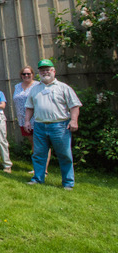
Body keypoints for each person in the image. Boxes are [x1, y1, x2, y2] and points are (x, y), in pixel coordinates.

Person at [26, 59, 81, 190]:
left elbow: (74, 106)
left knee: (64, 155)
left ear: (53, 71)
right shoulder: (35, 89)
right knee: (38, 154)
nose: (45, 72)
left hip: (60, 126)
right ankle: (38, 179)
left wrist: (74, 121)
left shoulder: (63, 87)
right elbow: (29, 107)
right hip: (39, 125)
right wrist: (27, 121)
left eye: (47, 70)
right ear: (39, 72)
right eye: (42, 70)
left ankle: (68, 183)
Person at [13, 65, 50, 174]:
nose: (26, 76)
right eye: (24, 74)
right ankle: (38, 167)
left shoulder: (38, 85)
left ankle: (44, 169)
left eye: (28, 73)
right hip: (23, 119)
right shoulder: (17, 86)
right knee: (33, 143)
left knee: (42, 143)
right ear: (21, 75)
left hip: (36, 118)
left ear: (33, 74)